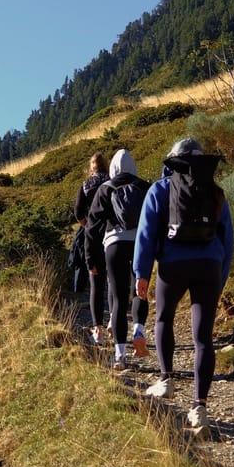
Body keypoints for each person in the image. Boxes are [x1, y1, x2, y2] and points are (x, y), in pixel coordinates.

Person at [133, 138, 234, 431]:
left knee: (163, 317)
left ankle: (166, 379)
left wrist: (142, 273)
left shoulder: (160, 189)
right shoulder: (215, 192)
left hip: (172, 266)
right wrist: (220, 277)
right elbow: (228, 240)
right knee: (203, 337)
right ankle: (199, 407)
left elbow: (146, 233)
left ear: (173, 161)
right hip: (209, 267)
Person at [85, 148, 150, 368]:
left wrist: (91, 259)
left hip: (113, 244)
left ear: (112, 168)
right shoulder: (145, 187)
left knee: (119, 297)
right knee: (140, 290)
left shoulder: (105, 188)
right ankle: (139, 330)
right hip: (140, 244)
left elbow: (92, 229)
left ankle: (120, 355)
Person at [74, 152, 109, 343]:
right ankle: (114, 320)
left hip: (93, 237)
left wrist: (88, 225)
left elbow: (78, 211)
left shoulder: (86, 185)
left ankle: (98, 329)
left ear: (91, 167)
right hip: (112, 234)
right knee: (113, 281)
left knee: (96, 282)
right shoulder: (112, 181)